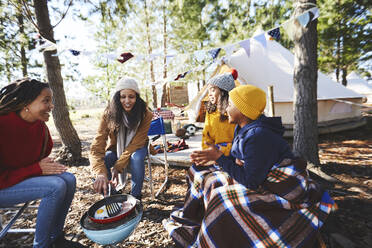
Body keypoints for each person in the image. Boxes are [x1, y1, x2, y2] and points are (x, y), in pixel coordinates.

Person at [163, 85, 336, 247]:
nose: (225, 108)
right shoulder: (242, 128)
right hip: (258, 175)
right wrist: (217, 157)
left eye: (230, 104)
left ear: (243, 110)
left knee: (221, 199)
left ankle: (217, 238)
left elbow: (251, 181)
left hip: (279, 185)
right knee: (197, 171)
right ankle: (194, 220)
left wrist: (220, 159)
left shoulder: (258, 135)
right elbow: (239, 159)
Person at [0, 78, 85, 248]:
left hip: (16, 180)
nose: (51, 106)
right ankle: (41, 245)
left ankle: (55, 238)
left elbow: (37, 162)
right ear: (26, 103)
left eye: (51, 101)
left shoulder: (40, 128)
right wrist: (36, 169)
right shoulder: (3, 125)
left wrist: (41, 168)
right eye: (46, 100)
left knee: (69, 179)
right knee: (55, 186)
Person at [90, 77, 153, 200]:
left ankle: (136, 196)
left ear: (137, 97)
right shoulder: (109, 114)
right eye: (123, 97)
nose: (127, 101)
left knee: (137, 157)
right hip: (116, 148)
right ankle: (111, 194)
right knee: (107, 158)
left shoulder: (145, 114)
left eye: (131, 96)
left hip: (138, 146)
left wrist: (118, 167)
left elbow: (136, 143)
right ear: (117, 98)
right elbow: (97, 144)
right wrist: (100, 174)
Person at [202, 69, 237, 156]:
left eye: (213, 90)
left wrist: (224, 150)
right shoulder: (211, 111)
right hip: (215, 153)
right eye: (209, 90)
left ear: (223, 92)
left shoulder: (234, 110)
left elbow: (241, 139)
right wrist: (207, 150)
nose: (209, 94)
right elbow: (206, 136)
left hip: (234, 153)